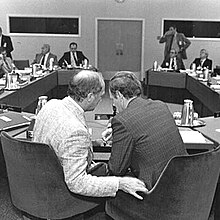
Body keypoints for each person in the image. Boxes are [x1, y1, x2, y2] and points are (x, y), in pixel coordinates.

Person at [33, 70, 148, 215]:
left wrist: (90, 144)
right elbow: (77, 183)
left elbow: (59, 143)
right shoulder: (75, 131)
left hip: (37, 179)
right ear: (89, 97)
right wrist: (120, 183)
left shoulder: (51, 104)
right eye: (100, 97)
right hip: (57, 194)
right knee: (122, 189)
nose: (101, 100)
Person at [103, 71, 187, 191]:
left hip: (156, 192)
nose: (113, 104)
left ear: (119, 95)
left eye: (113, 99)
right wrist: (118, 134)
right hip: (185, 179)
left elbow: (116, 169)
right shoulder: (160, 105)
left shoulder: (122, 121)